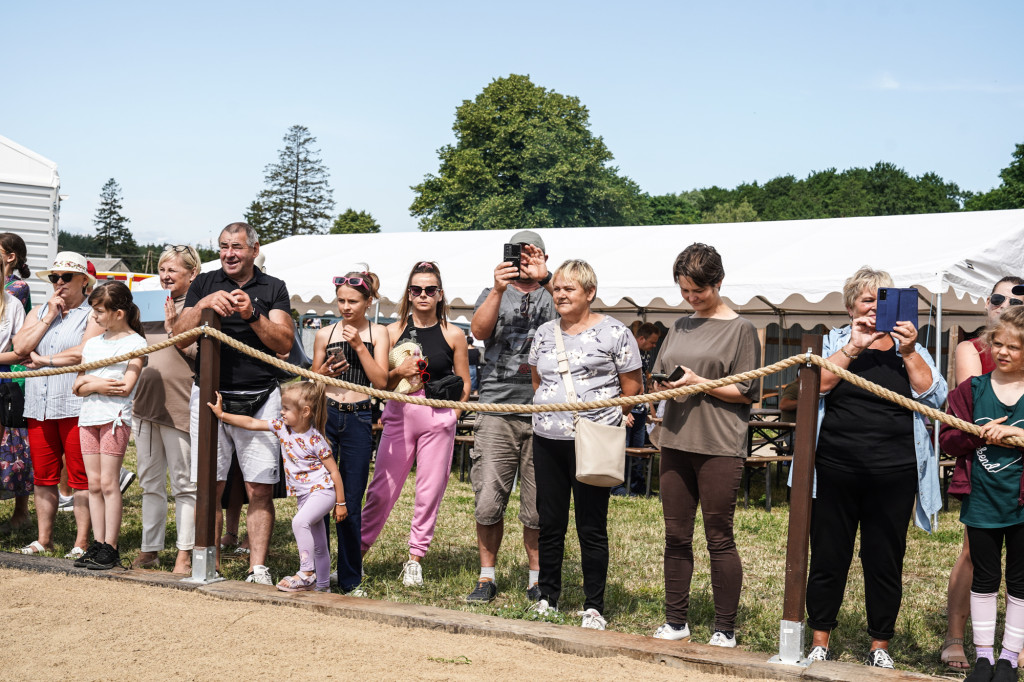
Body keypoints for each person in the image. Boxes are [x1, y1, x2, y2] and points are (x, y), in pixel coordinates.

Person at [804, 267, 947, 669]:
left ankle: (879, 645)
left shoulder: (912, 349)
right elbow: (813, 387)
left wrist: (908, 350)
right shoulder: (834, 342)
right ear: (851, 306)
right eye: (867, 300)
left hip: (895, 472)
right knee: (829, 557)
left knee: (884, 560)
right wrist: (854, 345)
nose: (874, 308)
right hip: (835, 467)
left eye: (883, 300)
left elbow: (935, 399)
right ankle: (820, 639)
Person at [649, 243, 761, 647]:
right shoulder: (678, 326)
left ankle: (724, 628)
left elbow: (748, 391)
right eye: (685, 292)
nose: (692, 298)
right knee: (675, 535)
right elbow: (663, 372)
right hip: (675, 439)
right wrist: (659, 387)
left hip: (719, 444)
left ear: (718, 282)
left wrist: (699, 382)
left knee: (719, 535)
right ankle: (676, 621)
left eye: (700, 291)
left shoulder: (742, 329)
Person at [174, 222, 293, 585]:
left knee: (259, 487)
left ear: (254, 250)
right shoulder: (205, 283)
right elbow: (179, 334)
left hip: (260, 398)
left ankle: (258, 567)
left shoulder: (273, 288)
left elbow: (284, 343)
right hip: (210, 395)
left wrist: (251, 314)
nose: (229, 253)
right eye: (224, 246)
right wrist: (205, 305)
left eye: (237, 247)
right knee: (210, 485)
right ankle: (208, 563)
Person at [527, 259, 642, 630]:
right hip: (547, 438)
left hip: (594, 440)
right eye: (557, 288)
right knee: (551, 523)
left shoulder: (616, 333)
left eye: (569, 288)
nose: (560, 294)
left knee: (591, 526)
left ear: (589, 293)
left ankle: (594, 606)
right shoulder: (544, 332)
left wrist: (605, 418)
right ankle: (547, 597)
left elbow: (632, 388)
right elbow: (538, 381)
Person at [360, 261, 470, 587]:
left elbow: (464, 382)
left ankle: (415, 558)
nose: (423, 295)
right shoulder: (390, 332)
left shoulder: (454, 334)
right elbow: (380, 381)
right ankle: (357, 554)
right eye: (416, 289)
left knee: (429, 491)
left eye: (430, 289)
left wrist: (454, 414)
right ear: (408, 293)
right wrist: (399, 371)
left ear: (439, 294)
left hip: (438, 417)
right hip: (398, 414)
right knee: (381, 490)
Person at [466, 230, 555, 603]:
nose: (523, 261)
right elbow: (478, 332)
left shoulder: (555, 292)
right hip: (498, 407)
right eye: (517, 255)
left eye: (531, 255)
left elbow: (575, 314)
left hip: (545, 410)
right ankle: (487, 577)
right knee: (488, 499)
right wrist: (498, 289)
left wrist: (546, 277)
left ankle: (536, 579)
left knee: (537, 508)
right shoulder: (494, 293)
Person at [939, 275, 1024, 670]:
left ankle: (1009, 656)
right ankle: (980, 652)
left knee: (1020, 580)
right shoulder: (973, 383)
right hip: (984, 494)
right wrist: (978, 435)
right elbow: (951, 431)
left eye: (1013, 346)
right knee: (982, 571)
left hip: (1020, 499)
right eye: (999, 344)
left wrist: (1016, 433)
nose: (1003, 352)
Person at [209, 381, 346, 593]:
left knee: (300, 522)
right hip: (305, 496)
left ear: (305, 412)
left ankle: (306, 573)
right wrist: (223, 416)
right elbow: (252, 423)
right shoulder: (281, 427)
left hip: (323, 492)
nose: (281, 412)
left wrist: (341, 503)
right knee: (319, 544)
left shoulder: (316, 439)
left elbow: (334, 472)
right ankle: (322, 587)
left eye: (286, 408)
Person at [13, 252, 102, 557]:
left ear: (83, 282)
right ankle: (44, 538)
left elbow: (85, 351)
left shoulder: (93, 314)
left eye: (66, 277)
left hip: (75, 405)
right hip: (39, 405)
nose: (59, 283)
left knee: (79, 477)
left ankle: (81, 542)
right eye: (54, 277)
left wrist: (43, 360)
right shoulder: (39, 311)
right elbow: (20, 347)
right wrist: (49, 316)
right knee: (43, 475)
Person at [311, 269, 391, 595]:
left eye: (353, 301)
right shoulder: (324, 334)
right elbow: (313, 380)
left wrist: (359, 347)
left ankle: (350, 579)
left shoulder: (378, 333)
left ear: (368, 301)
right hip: (327, 416)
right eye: (341, 300)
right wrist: (326, 370)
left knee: (351, 500)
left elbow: (381, 381)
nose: (345, 307)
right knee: (322, 496)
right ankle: (319, 573)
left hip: (358, 416)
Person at [131, 246, 201, 574]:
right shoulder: (147, 305)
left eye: (173, 270)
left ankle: (184, 554)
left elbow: (203, 355)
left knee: (185, 484)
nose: (166, 276)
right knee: (150, 483)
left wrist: (175, 330)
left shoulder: (200, 308)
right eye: (162, 270)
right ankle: (149, 550)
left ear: (193, 273)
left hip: (180, 404)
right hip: (145, 403)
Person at [70, 282, 147, 570]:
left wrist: (91, 384)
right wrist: (98, 383)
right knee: (93, 484)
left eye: (99, 311)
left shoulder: (136, 343)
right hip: (88, 418)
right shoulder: (92, 344)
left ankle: (111, 546)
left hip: (114, 419)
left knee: (109, 483)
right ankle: (98, 543)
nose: (95, 317)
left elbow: (125, 387)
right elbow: (76, 385)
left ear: (118, 313)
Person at [0, 233, 33, 531]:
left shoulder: (15, 297)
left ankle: (21, 512)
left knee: (14, 447)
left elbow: (20, 349)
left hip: (6, 380)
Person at [612, 322, 660, 497]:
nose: (654, 346)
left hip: (640, 409)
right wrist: (626, 410)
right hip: (628, 410)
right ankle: (617, 487)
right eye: (652, 342)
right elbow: (619, 383)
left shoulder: (644, 355)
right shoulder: (626, 353)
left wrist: (648, 411)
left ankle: (637, 485)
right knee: (621, 450)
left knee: (637, 451)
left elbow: (643, 386)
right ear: (641, 338)